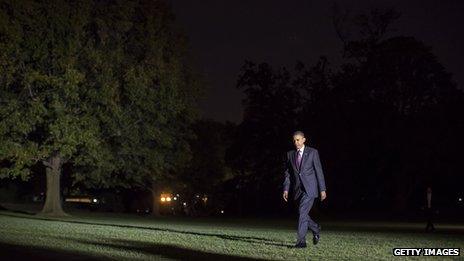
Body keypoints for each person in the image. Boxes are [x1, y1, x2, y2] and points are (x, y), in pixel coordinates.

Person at [283, 131, 327, 248]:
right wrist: (286, 189)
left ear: (304, 140)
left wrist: (322, 189)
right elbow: (288, 174)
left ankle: (301, 242)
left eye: (298, 140)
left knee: (302, 213)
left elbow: (319, 171)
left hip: (310, 189)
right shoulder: (290, 154)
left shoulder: (313, 152)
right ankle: (316, 228)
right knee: (302, 214)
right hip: (297, 190)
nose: (296, 142)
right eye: (294, 140)